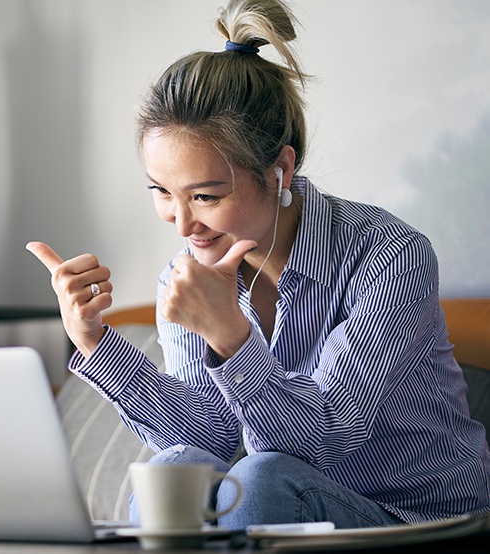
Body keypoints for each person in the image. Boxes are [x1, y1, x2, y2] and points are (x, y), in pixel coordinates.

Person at [26, 0, 490, 530]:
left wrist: (230, 336)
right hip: (281, 516)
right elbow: (214, 441)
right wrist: (94, 342)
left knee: (264, 477)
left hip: (422, 522)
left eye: (205, 196)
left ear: (279, 170)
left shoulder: (388, 255)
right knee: (176, 469)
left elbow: (326, 439)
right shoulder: (186, 278)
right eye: (161, 192)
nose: (181, 224)